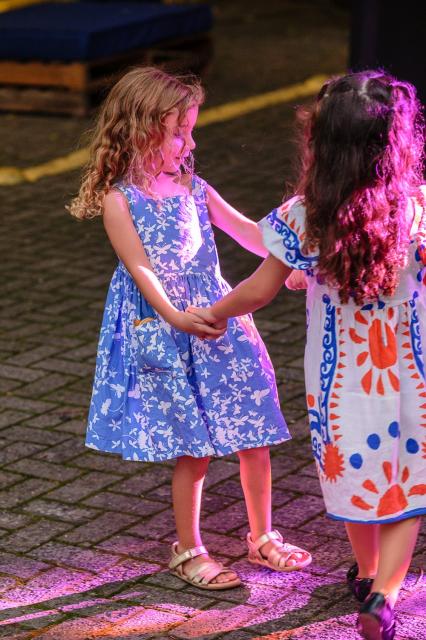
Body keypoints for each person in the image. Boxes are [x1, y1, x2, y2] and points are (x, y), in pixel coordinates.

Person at [189, 70, 425, 637]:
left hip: (341, 381)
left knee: (357, 477)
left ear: (321, 143)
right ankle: (385, 594)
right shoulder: (417, 207)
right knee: (409, 484)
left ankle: (365, 573)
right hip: (412, 372)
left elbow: (258, 290)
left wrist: (214, 312)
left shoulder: (304, 216)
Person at [68, 66, 311, 591]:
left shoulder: (194, 187)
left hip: (220, 319)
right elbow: (140, 268)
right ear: (140, 131)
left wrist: (292, 257)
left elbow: (251, 235)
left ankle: (262, 535)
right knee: (192, 444)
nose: (191, 143)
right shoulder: (120, 200)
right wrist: (175, 316)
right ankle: (189, 548)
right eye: (179, 132)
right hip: (167, 327)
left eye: (191, 130)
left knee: (254, 430)